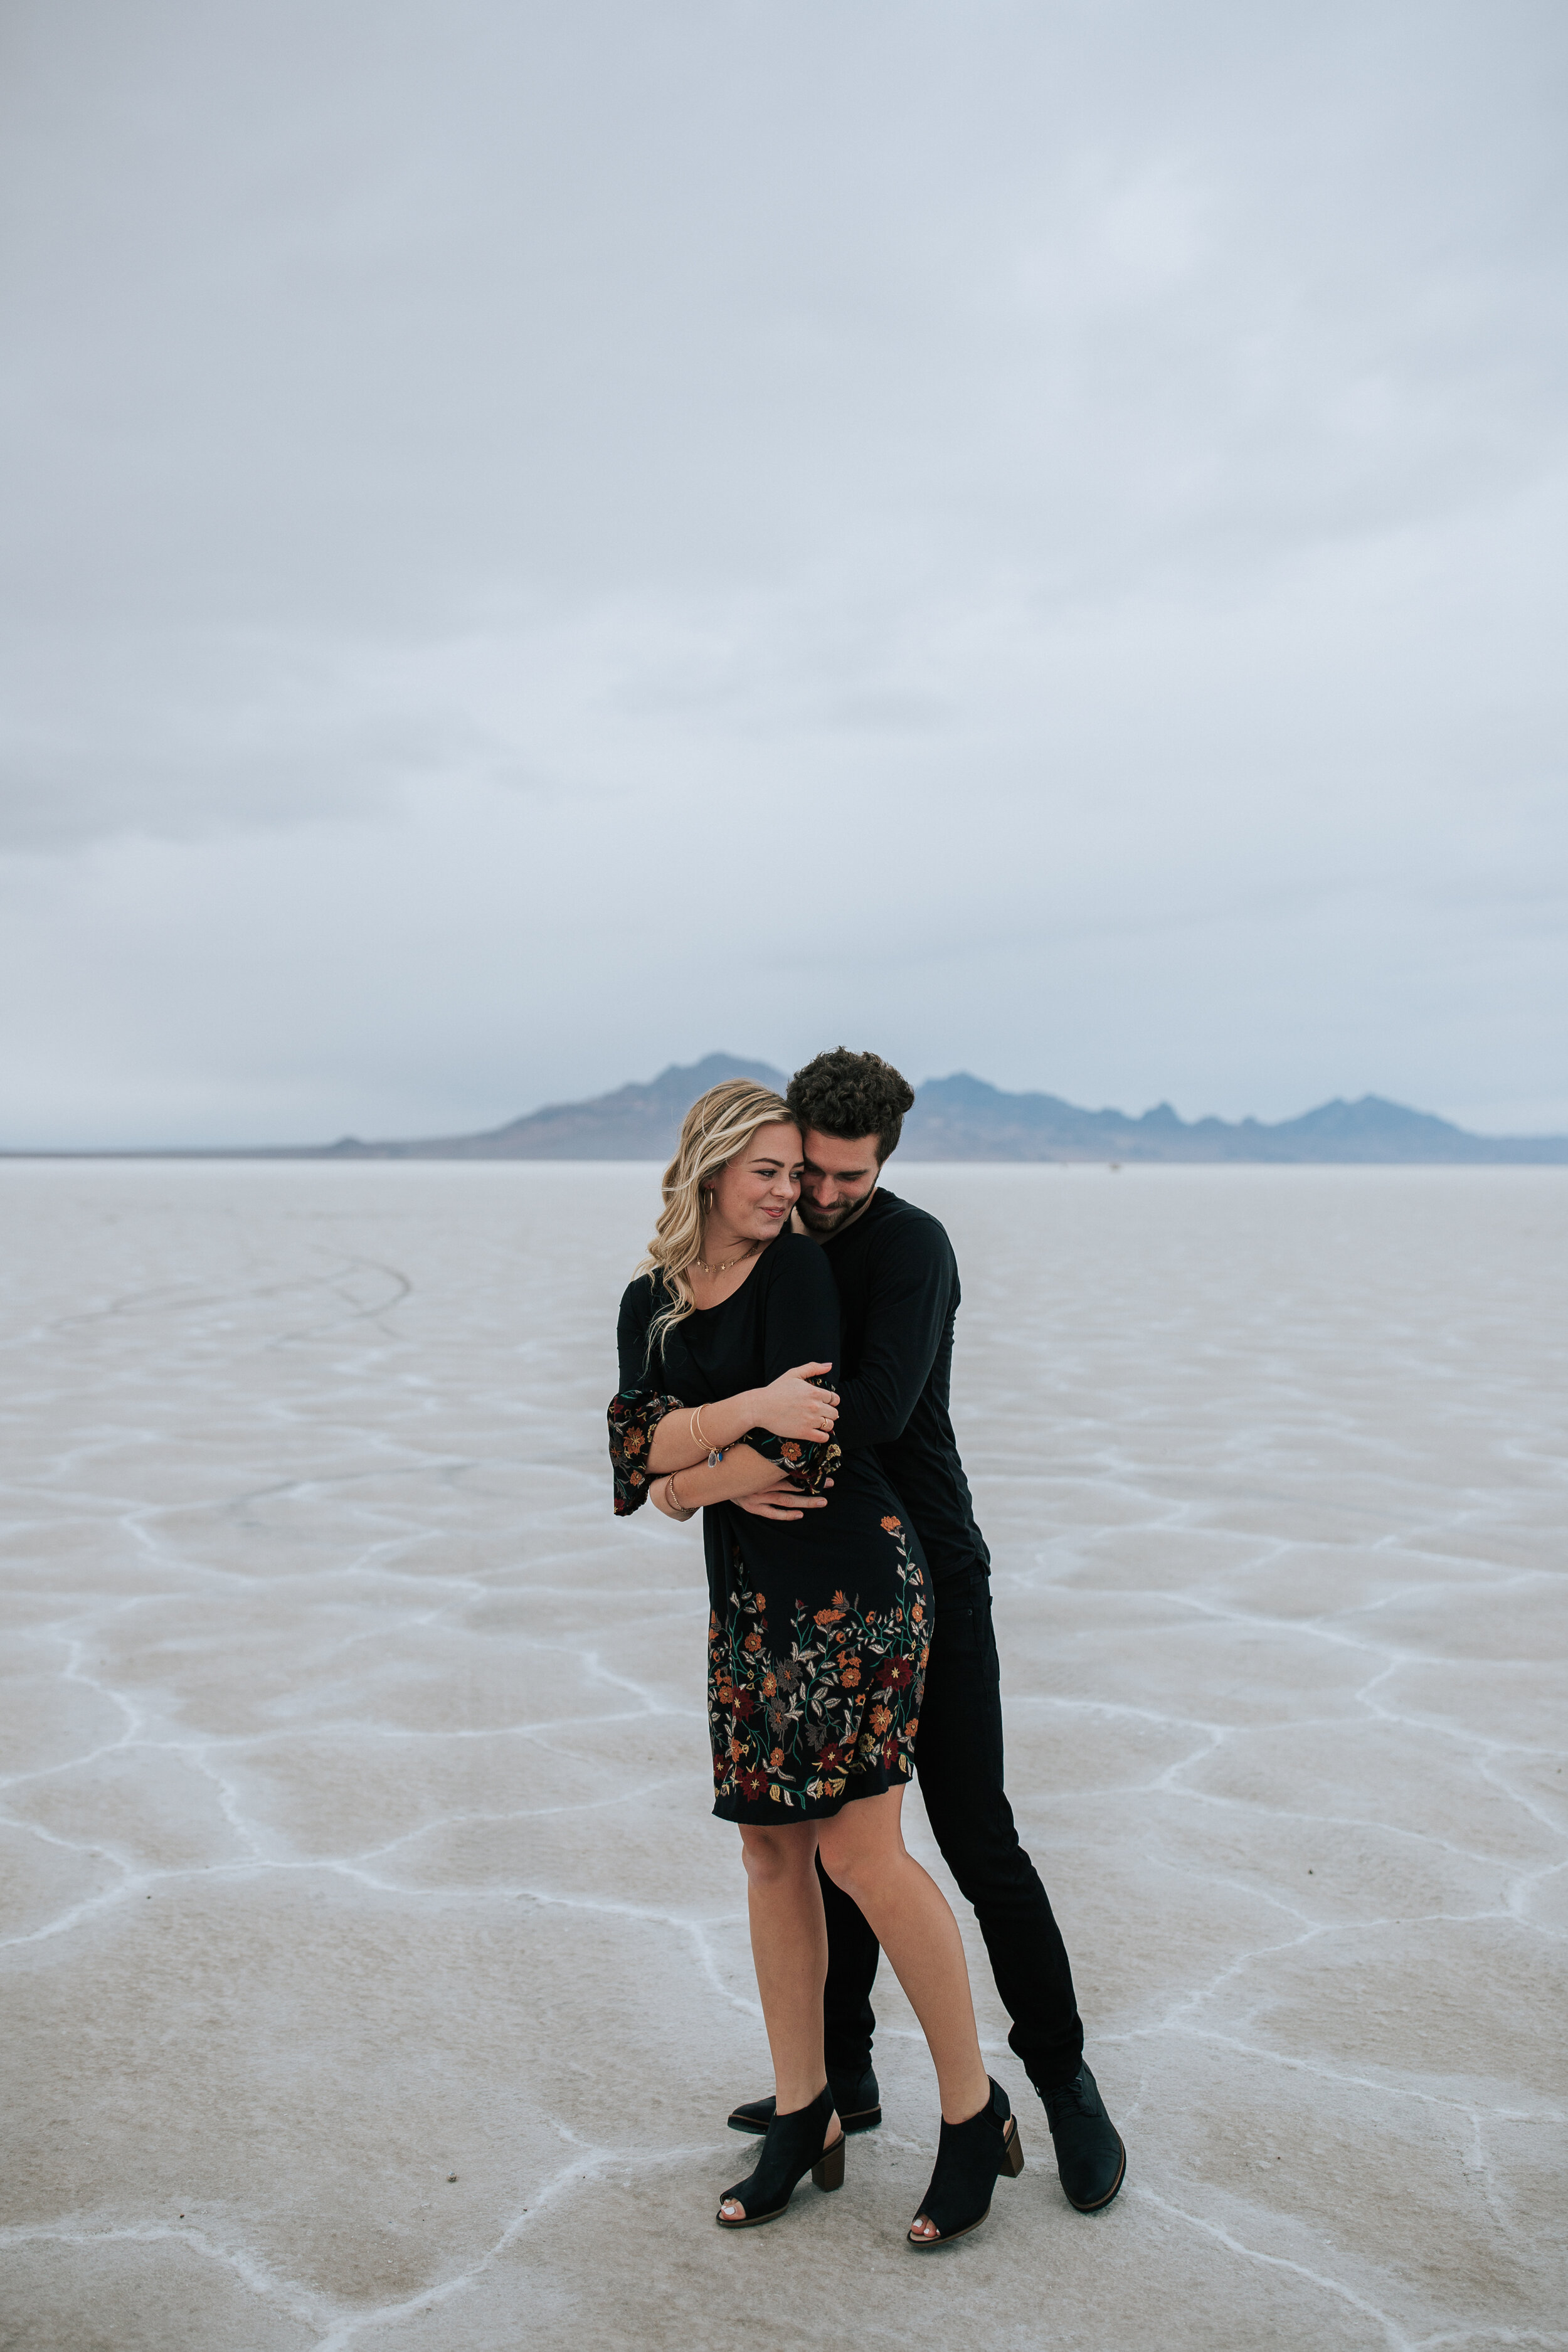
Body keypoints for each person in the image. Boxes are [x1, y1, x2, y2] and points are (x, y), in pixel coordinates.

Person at [609, 1078, 1026, 2245]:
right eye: (773, 1173)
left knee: (863, 1852)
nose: (794, 1195)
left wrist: (686, 1468)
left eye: (803, 1176)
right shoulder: (647, 1300)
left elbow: (816, 1433)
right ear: (710, 1166)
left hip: (855, 1585)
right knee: (767, 1854)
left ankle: (970, 2110)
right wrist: (717, 1437)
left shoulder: (796, 1271)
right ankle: (808, 2116)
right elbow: (635, 1459)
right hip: (748, 1604)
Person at [724, 1047, 1126, 2216]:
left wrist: (732, 1462)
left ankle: (1064, 2083)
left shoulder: (913, 1247)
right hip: (807, 1584)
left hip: (930, 1576)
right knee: (828, 1834)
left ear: (884, 1159)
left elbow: (883, 1409)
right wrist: (716, 1472)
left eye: (850, 1176)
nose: (827, 1194)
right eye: (814, 1172)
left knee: (975, 1836)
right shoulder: (765, 1237)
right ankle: (842, 2079)